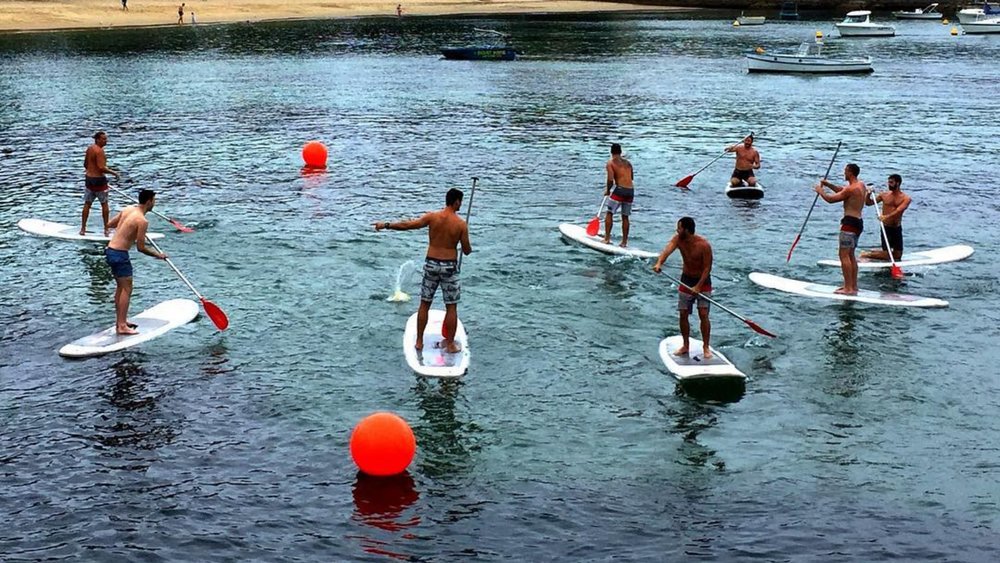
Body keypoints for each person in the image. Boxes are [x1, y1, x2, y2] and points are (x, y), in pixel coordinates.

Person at [374, 188, 471, 353]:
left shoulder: (432, 217)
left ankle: (419, 342)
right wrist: (462, 245)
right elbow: (467, 250)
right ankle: (450, 344)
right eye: (460, 202)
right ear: (456, 202)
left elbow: (408, 225)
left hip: (431, 264)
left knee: (425, 304)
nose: (460, 205)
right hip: (449, 267)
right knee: (451, 307)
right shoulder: (461, 224)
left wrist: (386, 225)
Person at [105, 190, 168, 335]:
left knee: (120, 288)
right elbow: (141, 248)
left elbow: (110, 224)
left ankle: (120, 321)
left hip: (110, 250)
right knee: (127, 289)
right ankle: (121, 326)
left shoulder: (128, 209)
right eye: (154, 200)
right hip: (120, 255)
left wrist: (129, 228)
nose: (155, 203)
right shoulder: (142, 221)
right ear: (148, 202)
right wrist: (158, 255)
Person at [652, 217, 714, 358]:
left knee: (703, 314)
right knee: (683, 313)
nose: (677, 230)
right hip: (686, 279)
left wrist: (698, 286)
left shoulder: (703, 245)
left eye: (679, 228)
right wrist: (659, 263)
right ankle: (685, 345)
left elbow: (707, 268)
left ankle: (706, 347)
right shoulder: (678, 240)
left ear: (686, 230)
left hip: (703, 282)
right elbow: (667, 250)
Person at [815, 163, 869, 295]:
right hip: (858, 223)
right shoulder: (861, 185)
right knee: (850, 255)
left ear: (850, 172)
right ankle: (853, 286)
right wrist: (828, 185)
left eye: (845, 171)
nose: (844, 173)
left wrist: (821, 191)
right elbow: (842, 190)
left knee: (843, 255)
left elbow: (831, 199)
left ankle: (848, 288)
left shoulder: (851, 189)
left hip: (849, 223)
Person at [862, 174, 911, 261]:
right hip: (886, 227)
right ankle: (866, 255)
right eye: (888, 182)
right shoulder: (884, 195)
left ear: (898, 183)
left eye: (891, 182)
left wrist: (886, 216)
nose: (889, 184)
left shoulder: (906, 198)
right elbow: (869, 203)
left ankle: (875, 252)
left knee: (898, 255)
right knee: (887, 254)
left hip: (897, 228)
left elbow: (899, 211)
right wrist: (868, 194)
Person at [82, 131, 121, 237]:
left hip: (89, 179)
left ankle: (83, 229)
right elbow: (101, 168)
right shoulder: (99, 151)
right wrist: (114, 173)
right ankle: (106, 229)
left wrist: (90, 170)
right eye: (103, 139)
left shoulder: (90, 149)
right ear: (98, 139)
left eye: (106, 138)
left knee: (87, 203)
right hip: (99, 180)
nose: (106, 140)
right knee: (104, 204)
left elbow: (85, 164)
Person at [603, 143, 634, 247]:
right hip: (630, 191)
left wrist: (607, 190)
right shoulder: (628, 163)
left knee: (609, 213)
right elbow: (631, 178)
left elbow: (610, 180)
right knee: (625, 217)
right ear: (620, 152)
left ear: (611, 152)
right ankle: (624, 242)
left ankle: (607, 239)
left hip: (620, 190)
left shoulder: (610, 163)